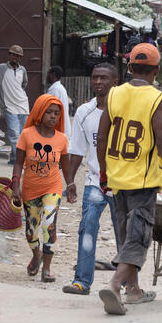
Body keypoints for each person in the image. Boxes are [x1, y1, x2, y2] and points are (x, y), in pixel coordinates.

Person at [96, 43, 162, 315]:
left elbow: (102, 136)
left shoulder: (115, 94)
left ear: (129, 68)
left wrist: (104, 172)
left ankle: (134, 290)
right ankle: (115, 285)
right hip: (142, 180)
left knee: (126, 234)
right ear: (157, 70)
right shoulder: (157, 98)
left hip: (116, 178)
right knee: (138, 237)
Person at [62, 63, 119, 296]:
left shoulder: (124, 111)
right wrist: (70, 181)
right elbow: (77, 150)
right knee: (87, 229)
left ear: (114, 82)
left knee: (123, 233)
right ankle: (82, 282)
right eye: (95, 77)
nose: (98, 82)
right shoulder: (85, 112)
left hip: (122, 184)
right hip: (95, 181)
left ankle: (126, 282)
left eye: (103, 78)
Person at [10, 94, 73, 283]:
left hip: (52, 187)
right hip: (30, 189)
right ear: (39, 112)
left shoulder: (61, 139)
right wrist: (15, 185)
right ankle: (36, 255)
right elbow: (18, 163)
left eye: (57, 113)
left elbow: (66, 165)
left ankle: (46, 268)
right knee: (31, 231)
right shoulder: (27, 134)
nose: (53, 117)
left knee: (49, 224)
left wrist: (70, 185)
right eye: (49, 112)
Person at [0, 44, 29, 164]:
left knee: (23, 135)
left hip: (23, 106)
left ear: (20, 58)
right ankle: (17, 160)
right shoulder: (2, 68)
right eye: (13, 54)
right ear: (9, 55)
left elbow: (23, 85)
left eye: (18, 56)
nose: (15, 57)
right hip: (9, 107)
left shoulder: (22, 70)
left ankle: (15, 159)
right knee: (14, 135)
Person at [46, 65, 71, 138]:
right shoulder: (58, 88)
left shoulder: (56, 89)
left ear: (52, 75)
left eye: (48, 73)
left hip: (59, 125)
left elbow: (53, 108)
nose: (47, 76)